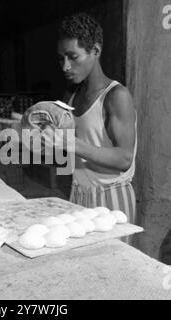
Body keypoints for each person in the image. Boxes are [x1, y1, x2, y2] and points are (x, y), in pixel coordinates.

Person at [44, 13, 137, 225]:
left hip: (112, 198)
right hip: (79, 194)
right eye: (61, 58)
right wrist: (39, 132)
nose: (65, 66)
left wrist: (72, 143)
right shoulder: (72, 96)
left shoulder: (116, 96)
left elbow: (124, 159)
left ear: (95, 50)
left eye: (73, 57)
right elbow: (66, 154)